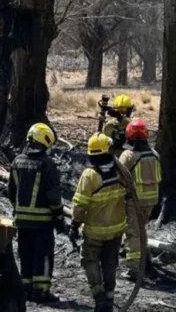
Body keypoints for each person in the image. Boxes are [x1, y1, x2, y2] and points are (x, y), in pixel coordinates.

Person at [8, 123, 66, 303]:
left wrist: (19, 211)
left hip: (22, 221)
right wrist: (59, 218)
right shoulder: (47, 164)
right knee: (43, 255)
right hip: (43, 223)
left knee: (25, 253)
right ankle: (41, 292)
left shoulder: (17, 161)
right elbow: (54, 195)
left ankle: (25, 288)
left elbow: (11, 191)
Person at [70, 134, 127, 312]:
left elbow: (80, 204)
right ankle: (109, 297)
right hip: (117, 229)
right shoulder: (121, 172)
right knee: (110, 263)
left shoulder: (89, 175)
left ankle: (99, 296)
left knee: (89, 260)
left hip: (94, 231)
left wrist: (74, 224)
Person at [119, 118, 161, 280]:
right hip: (151, 201)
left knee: (133, 234)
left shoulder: (129, 156)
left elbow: (119, 175)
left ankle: (134, 269)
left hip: (134, 201)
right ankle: (146, 260)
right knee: (141, 230)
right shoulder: (155, 155)